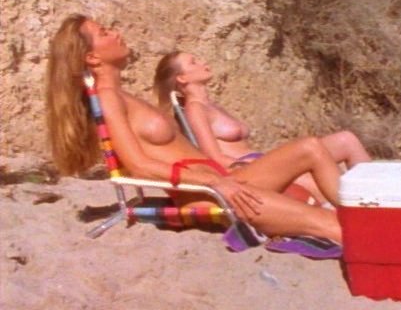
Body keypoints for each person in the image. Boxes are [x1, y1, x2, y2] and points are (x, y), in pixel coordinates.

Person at [45, 14, 344, 243]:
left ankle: (358, 211)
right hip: (209, 195)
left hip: (226, 181)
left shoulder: (123, 96)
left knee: (311, 147)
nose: (116, 33)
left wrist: (222, 176)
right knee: (333, 226)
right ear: (92, 57)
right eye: (104, 33)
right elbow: (138, 166)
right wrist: (214, 182)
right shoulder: (109, 98)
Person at [153, 51, 372, 202]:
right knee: (323, 184)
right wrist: (257, 163)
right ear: (182, 78)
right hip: (248, 169)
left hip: (259, 159)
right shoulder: (195, 110)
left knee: (346, 140)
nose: (203, 62)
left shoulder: (211, 106)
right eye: (193, 62)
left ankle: (379, 194)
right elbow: (214, 157)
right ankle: (365, 213)